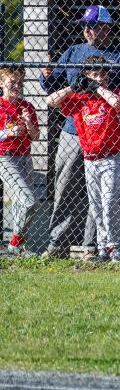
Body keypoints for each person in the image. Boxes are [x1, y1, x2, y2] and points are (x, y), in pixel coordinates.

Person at [39, 4, 120, 258]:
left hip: (107, 133)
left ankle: (92, 245)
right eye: (85, 26)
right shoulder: (74, 51)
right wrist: (45, 75)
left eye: (92, 26)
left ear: (107, 27)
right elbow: (51, 85)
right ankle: (57, 242)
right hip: (75, 129)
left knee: (102, 195)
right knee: (65, 184)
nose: (87, 30)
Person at [46, 57, 120, 262]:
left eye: (103, 75)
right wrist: (71, 88)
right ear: (86, 76)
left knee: (109, 203)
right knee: (97, 205)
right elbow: (50, 101)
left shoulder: (113, 93)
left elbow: (118, 103)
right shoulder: (79, 100)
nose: (99, 78)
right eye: (94, 75)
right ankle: (102, 249)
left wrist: (97, 88)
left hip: (112, 157)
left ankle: (115, 247)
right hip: (90, 159)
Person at [0, 67, 42, 255]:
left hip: (25, 157)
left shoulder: (27, 106)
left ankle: (16, 247)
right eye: (12, 83)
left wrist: (28, 123)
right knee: (29, 201)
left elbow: (35, 136)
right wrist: (8, 133)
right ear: (1, 84)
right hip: (5, 157)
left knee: (20, 203)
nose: (16, 86)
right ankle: (15, 243)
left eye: (19, 83)